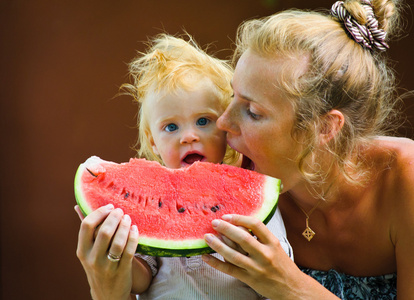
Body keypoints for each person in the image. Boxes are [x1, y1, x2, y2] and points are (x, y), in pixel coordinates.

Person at [200, 0, 414, 299]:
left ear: (325, 127)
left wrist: (292, 288)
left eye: (253, 111)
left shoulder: (406, 179)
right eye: (233, 95)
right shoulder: (239, 177)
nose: (223, 122)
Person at [75, 33, 293, 299]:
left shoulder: (250, 193)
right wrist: (115, 251)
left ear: (225, 127)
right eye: (171, 126)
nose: (189, 136)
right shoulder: (147, 203)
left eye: (203, 121)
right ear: (153, 142)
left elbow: (277, 275)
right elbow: (141, 279)